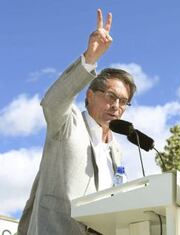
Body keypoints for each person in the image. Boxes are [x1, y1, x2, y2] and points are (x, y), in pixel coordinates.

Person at [17, 9, 136, 235]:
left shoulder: (116, 149)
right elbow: (53, 102)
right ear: (90, 95)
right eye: (111, 97)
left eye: (123, 102)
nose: (116, 106)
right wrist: (90, 59)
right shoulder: (67, 123)